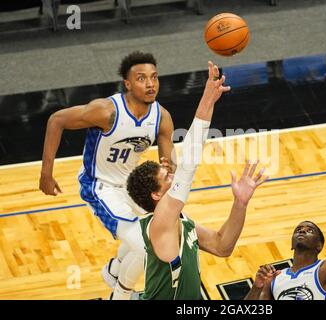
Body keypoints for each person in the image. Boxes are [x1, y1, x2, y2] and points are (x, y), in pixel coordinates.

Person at [39, 51, 176, 299]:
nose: (150, 84)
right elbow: (56, 120)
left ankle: (114, 271)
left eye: (154, 78)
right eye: (142, 79)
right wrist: (46, 173)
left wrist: (169, 174)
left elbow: (169, 165)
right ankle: (121, 293)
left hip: (132, 185)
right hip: (100, 186)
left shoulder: (161, 118)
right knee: (149, 246)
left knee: (158, 231)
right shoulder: (106, 111)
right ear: (128, 84)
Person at [126, 61, 268, 299]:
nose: (173, 174)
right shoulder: (159, 224)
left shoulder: (181, 221)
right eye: (166, 177)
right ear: (156, 195)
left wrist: (240, 203)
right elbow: (187, 167)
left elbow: (222, 246)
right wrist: (207, 101)